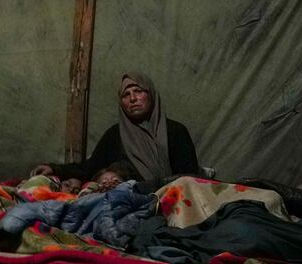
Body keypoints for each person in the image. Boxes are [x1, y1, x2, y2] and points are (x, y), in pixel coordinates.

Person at [34, 72, 200, 184]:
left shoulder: (176, 132)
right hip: (127, 202)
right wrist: (54, 168)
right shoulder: (115, 135)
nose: (133, 98)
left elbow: (190, 178)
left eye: (138, 91)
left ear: (151, 96)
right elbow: (89, 168)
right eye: (126, 95)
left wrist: (155, 190)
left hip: (167, 198)